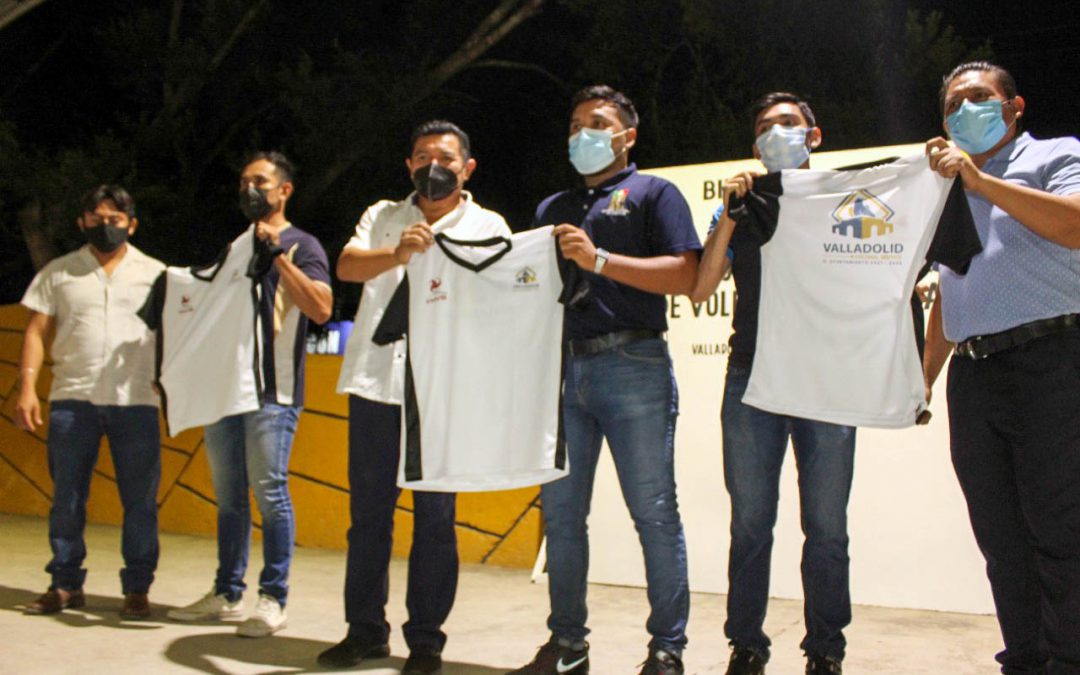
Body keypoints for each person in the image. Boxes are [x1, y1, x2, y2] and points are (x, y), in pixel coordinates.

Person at [510, 85, 700, 675]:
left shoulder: (654, 193)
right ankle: (568, 645)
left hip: (633, 365)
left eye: (598, 123)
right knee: (562, 517)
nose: (583, 134)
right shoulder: (550, 208)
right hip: (563, 372)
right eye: (574, 125)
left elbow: (686, 274)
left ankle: (667, 649)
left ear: (627, 136)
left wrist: (600, 261)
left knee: (654, 512)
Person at [319, 120, 511, 675]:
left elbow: (503, 298)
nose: (434, 164)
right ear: (408, 165)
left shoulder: (488, 224)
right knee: (369, 515)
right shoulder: (383, 215)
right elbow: (347, 265)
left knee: (435, 517)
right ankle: (364, 631)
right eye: (423, 155)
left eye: (446, 157)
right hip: (377, 382)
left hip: (443, 389)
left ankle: (425, 641)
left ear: (467, 168)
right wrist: (397, 254)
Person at [924, 61, 1080, 675]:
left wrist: (981, 182)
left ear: (1014, 108)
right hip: (975, 376)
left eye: (979, 97)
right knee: (1001, 538)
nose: (966, 110)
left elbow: (1074, 224)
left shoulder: (1055, 156)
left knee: (1061, 532)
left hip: (1052, 363)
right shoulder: (944, 192)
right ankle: (1026, 659)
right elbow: (949, 290)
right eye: (953, 104)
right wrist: (924, 377)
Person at [690, 92, 854, 675]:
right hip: (751, 379)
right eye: (764, 126)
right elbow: (702, 287)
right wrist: (730, 212)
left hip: (826, 382)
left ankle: (826, 650)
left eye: (788, 122)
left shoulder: (842, 197)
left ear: (814, 135)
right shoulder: (741, 202)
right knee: (752, 523)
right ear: (754, 145)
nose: (776, 131)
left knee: (828, 529)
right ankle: (747, 645)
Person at [168, 152, 332, 637]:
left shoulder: (302, 244)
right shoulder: (235, 247)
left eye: (259, 181)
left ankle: (272, 598)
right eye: (243, 182)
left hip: (271, 392)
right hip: (226, 390)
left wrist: (277, 257)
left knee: (271, 494)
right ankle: (226, 591)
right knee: (229, 499)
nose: (249, 190)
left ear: (285, 190)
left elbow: (322, 308)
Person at [16, 185, 165, 619]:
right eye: (98, 218)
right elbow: (34, 333)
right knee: (67, 497)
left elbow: (178, 335)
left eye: (116, 219)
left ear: (132, 224)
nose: (107, 226)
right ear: (82, 221)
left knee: (140, 500)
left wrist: (174, 387)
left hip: (136, 400)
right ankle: (65, 583)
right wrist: (27, 387)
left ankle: (137, 588)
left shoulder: (157, 275)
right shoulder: (58, 273)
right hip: (71, 400)